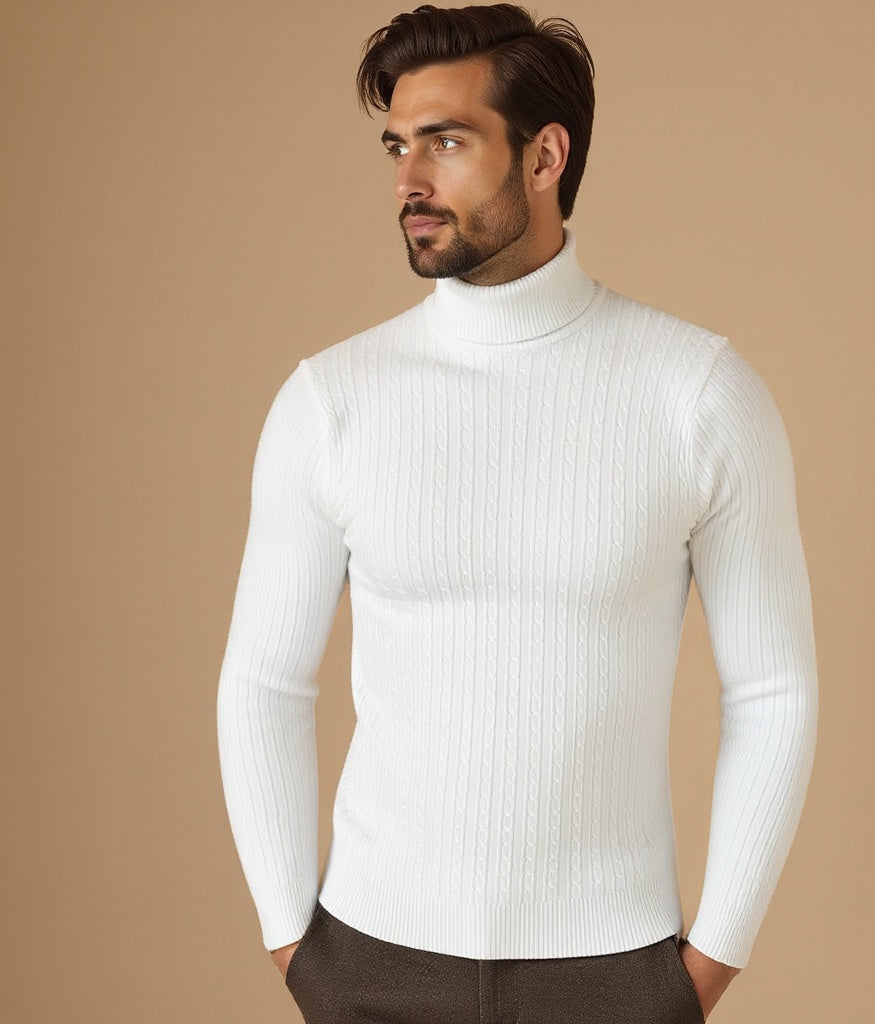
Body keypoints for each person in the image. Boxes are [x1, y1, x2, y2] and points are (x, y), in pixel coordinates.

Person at [217, 5, 818, 1022]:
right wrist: (296, 947)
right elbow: (264, 682)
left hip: (613, 972)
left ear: (544, 157)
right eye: (398, 147)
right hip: (369, 963)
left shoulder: (697, 394)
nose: (409, 180)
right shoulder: (332, 401)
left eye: (447, 143)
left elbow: (772, 690)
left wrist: (707, 965)